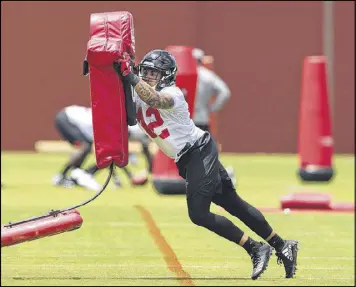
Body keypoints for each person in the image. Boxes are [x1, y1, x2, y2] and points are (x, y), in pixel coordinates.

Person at [113, 49, 299, 280]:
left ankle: (256, 248)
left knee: (199, 214)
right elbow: (130, 117)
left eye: (154, 72)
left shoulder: (174, 93)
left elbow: (156, 100)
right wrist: (114, 75)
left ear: (167, 75)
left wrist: (131, 77)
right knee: (234, 204)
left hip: (199, 152)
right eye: (146, 71)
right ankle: (283, 245)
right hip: (188, 159)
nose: (149, 75)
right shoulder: (141, 94)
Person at [53, 105, 150, 191]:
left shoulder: (115, 124)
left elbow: (113, 156)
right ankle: (65, 176)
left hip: (68, 115)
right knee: (85, 146)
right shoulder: (115, 128)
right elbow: (113, 155)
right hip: (67, 117)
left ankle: (75, 175)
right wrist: (129, 176)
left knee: (87, 147)